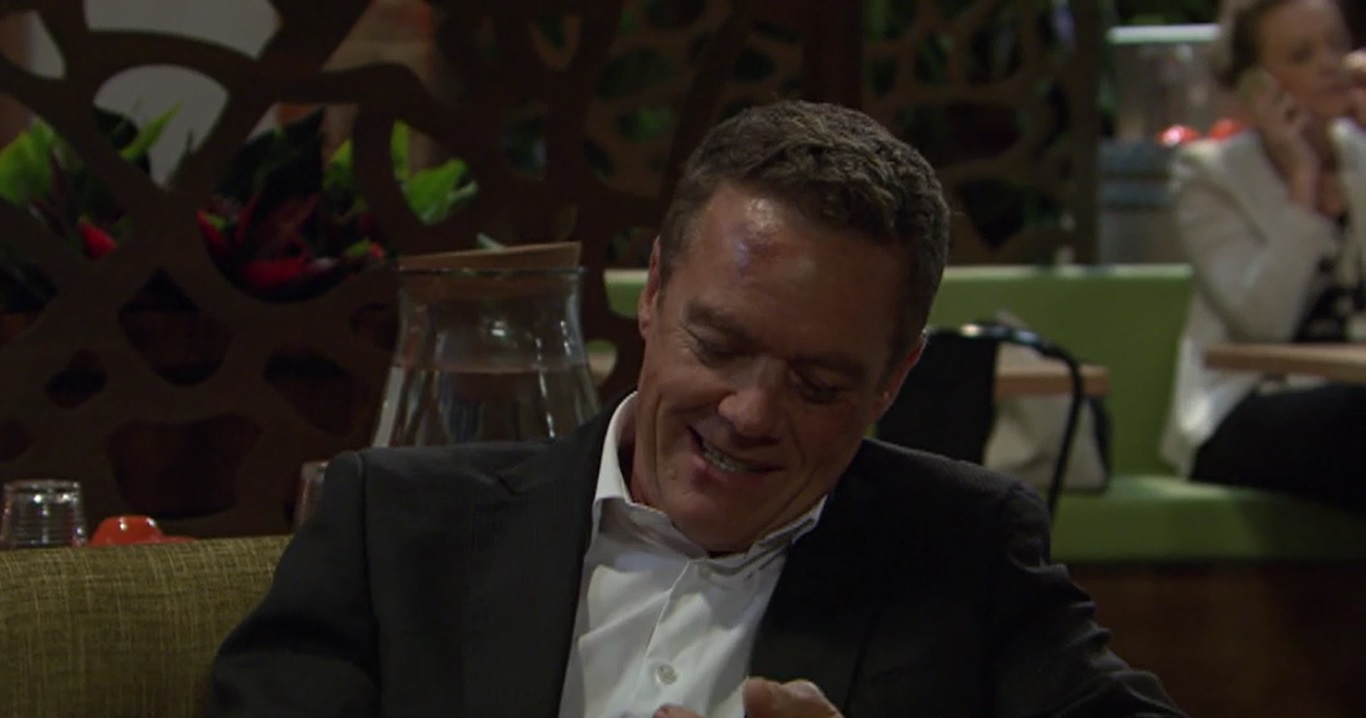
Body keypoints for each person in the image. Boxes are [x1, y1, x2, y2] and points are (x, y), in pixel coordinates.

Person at [208, 100, 1183, 717]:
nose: (751, 412)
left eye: (818, 383)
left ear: (893, 379)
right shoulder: (394, 526)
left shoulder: (962, 552)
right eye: (718, 345)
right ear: (654, 294)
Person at [1161, 0, 1366, 512]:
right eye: (1302, 54)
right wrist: (1303, 187)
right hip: (1245, 404)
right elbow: (1263, 324)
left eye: (1337, 45)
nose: (1330, 64)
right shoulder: (1208, 175)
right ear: (1256, 85)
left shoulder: (1360, 157)